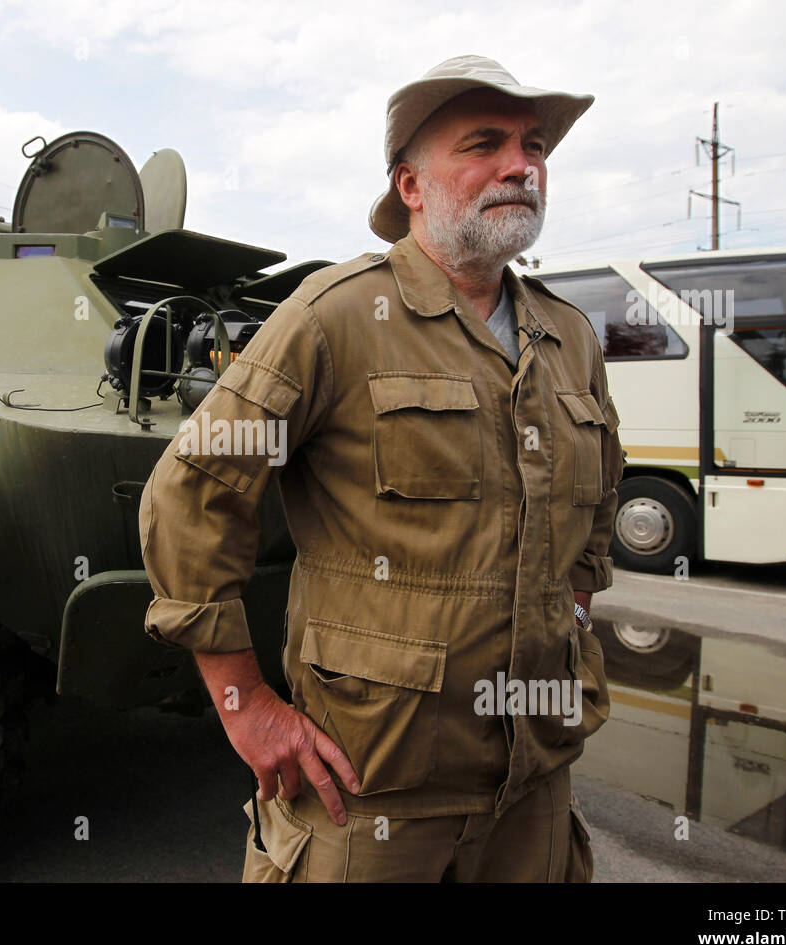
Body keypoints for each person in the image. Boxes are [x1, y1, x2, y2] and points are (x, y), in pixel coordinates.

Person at [139, 55, 623, 882]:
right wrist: (245, 705)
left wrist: (566, 612)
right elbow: (192, 493)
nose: (522, 165)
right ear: (410, 186)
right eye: (485, 144)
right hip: (367, 796)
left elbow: (598, 503)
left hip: (532, 787)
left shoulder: (568, 336)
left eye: (534, 146)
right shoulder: (336, 318)